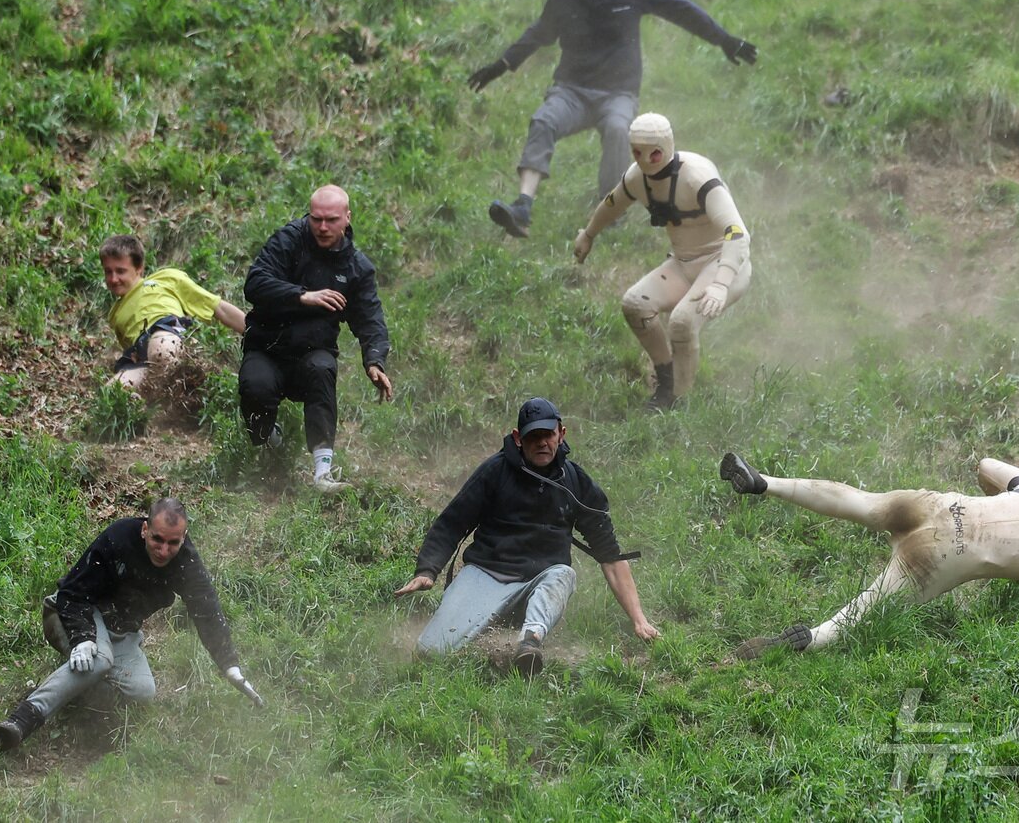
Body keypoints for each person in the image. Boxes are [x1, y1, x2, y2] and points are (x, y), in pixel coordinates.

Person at [470, 0, 757, 239]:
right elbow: (539, 33)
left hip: (617, 94)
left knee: (619, 129)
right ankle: (522, 206)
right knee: (543, 121)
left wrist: (725, 40)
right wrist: (502, 64)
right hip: (571, 91)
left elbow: (680, 10)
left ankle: (610, 207)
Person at [718, 453, 1019, 658]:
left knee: (862, 502)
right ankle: (808, 639)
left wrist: (1005, 503)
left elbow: (987, 465)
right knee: (865, 609)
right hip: (945, 555)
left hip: (941, 506)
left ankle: (764, 482)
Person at [394, 398, 659, 676]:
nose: (542, 442)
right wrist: (428, 569)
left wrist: (639, 620)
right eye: (533, 436)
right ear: (518, 438)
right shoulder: (494, 472)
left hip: (540, 584)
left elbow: (610, 555)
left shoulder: (575, 481)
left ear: (561, 433)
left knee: (563, 574)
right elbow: (452, 523)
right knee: (429, 655)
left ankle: (529, 642)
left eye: (548, 434)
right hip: (486, 575)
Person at [0, 498, 263, 753]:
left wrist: (230, 666)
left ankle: (77, 694)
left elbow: (207, 610)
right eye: (157, 539)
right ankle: (19, 723)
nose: (164, 550)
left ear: (184, 538)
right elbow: (71, 592)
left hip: (121, 630)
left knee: (142, 692)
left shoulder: (185, 562)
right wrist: (83, 638)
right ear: (145, 530)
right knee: (98, 661)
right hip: (72, 612)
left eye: (173, 543)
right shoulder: (118, 537)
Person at [573, 113, 751, 409]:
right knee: (635, 304)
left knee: (682, 322)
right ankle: (666, 381)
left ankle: (681, 401)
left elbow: (737, 233)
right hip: (683, 262)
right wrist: (588, 234)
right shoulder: (637, 178)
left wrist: (721, 283)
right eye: (638, 152)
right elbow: (613, 202)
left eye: (654, 151)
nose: (647, 159)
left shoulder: (697, 176)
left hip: (724, 262)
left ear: (666, 145)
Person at [238, 185, 393, 492]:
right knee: (255, 388)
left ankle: (323, 472)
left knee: (322, 370)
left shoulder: (356, 267)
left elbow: (369, 317)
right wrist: (303, 297)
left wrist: (374, 360)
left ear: (347, 218)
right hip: (268, 346)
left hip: (313, 352)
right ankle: (269, 444)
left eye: (331, 220)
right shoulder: (288, 240)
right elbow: (255, 283)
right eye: (316, 219)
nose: (322, 227)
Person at [99, 235, 246, 391]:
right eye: (108, 272)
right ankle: (159, 407)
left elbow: (219, 308)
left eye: (120, 271)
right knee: (110, 392)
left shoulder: (166, 279)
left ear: (139, 268)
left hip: (165, 332)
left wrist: (257, 330)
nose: (113, 279)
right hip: (142, 357)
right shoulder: (115, 314)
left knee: (160, 354)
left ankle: (183, 392)